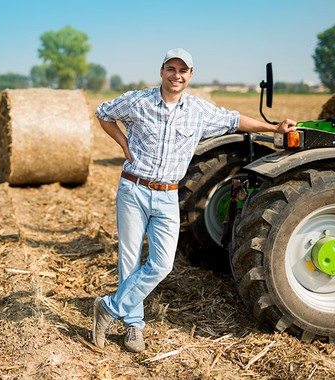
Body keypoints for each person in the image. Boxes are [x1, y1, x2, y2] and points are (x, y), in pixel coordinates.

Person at [92, 48, 297, 353]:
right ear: (162, 71)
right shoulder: (139, 101)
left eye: (183, 71)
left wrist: (273, 128)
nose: (177, 75)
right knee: (130, 260)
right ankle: (133, 325)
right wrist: (123, 142)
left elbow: (234, 120)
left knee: (161, 264)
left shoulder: (199, 110)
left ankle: (108, 307)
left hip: (168, 195)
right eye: (171, 69)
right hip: (134, 189)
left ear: (190, 75)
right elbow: (103, 113)